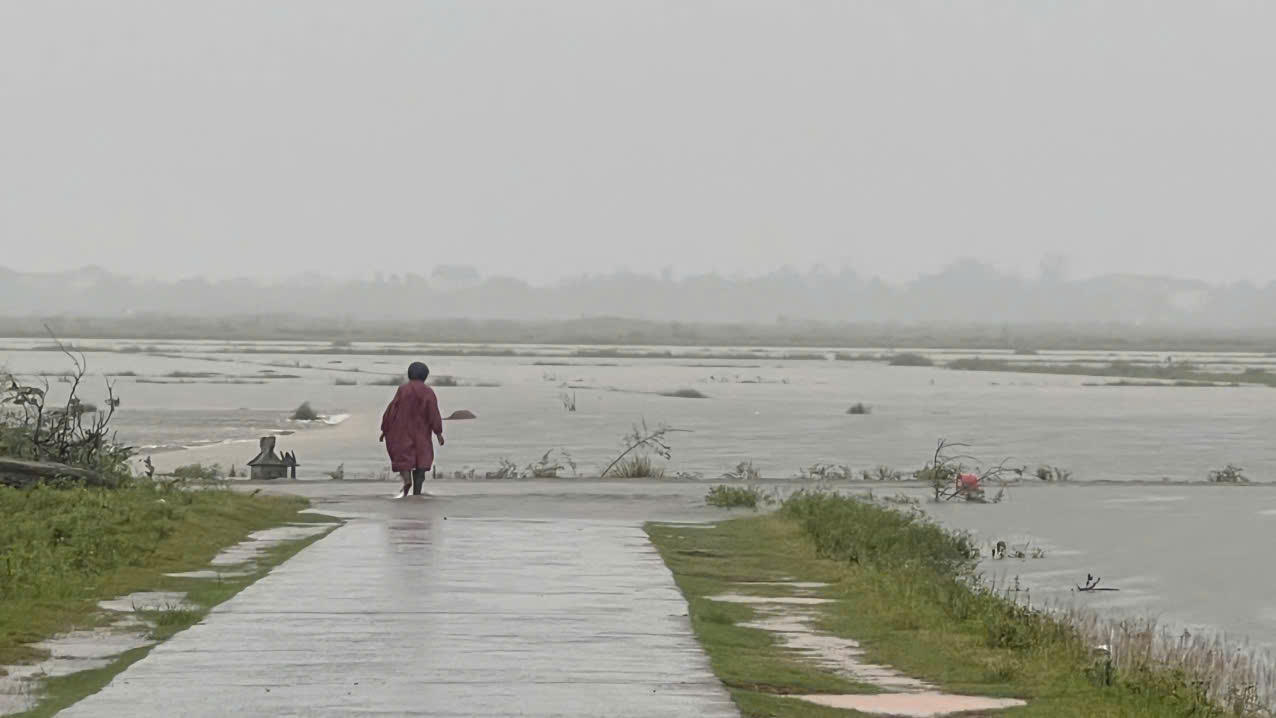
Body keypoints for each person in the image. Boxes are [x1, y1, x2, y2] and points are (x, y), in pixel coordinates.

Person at [379, 362, 444, 498]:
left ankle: (407, 480)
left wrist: (384, 429)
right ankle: (417, 493)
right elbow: (433, 413)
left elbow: (392, 410)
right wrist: (438, 432)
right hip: (421, 432)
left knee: (404, 458)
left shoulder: (403, 390)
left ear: (409, 374)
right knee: (422, 460)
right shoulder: (428, 392)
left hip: (401, 430)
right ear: (425, 376)